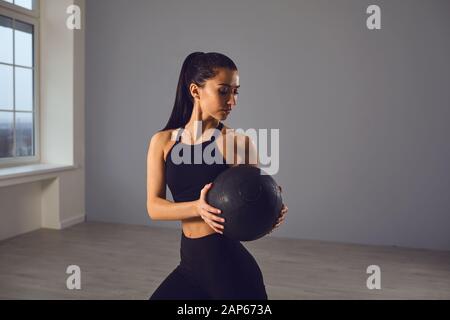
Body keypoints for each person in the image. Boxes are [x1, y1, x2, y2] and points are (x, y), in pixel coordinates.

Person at [146, 52, 288, 300]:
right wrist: (198, 208)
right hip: (190, 267)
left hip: (231, 272)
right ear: (195, 90)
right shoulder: (163, 142)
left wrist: (269, 213)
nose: (232, 100)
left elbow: (251, 208)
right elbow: (154, 208)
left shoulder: (238, 143)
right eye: (224, 91)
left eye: (236, 92)